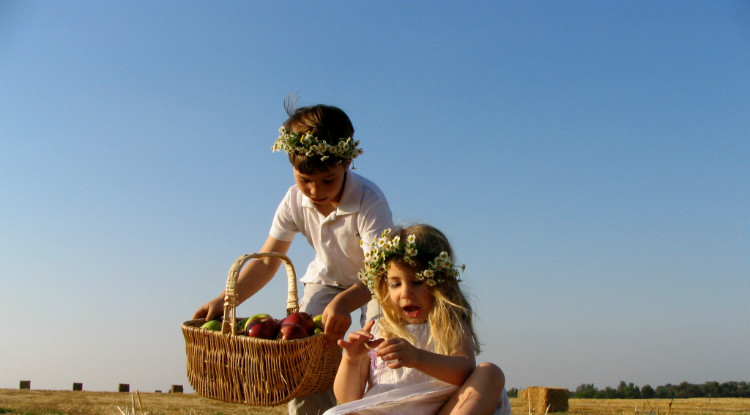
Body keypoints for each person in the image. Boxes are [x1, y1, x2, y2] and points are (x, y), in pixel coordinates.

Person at [192, 101, 394, 415]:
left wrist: (344, 303)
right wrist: (225, 300)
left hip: (376, 284)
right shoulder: (293, 200)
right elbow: (267, 261)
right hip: (326, 282)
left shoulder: (369, 199)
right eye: (305, 179)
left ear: (348, 161)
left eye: (328, 179)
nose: (315, 190)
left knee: (380, 345)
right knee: (303, 359)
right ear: (291, 165)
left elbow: (382, 271)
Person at [324, 224, 510, 415]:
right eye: (395, 284)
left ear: (440, 282)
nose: (405, 293)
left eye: (417, 282)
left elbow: (465, 370)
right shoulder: (378, 332)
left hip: (442, 409)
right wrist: (352, 360)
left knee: (490, 373)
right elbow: (347, 399)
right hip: (386, 411)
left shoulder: (447, 325)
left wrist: (417, 358)